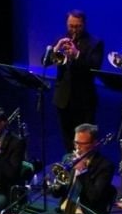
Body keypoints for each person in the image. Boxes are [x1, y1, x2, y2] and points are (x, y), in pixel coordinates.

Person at [22, 123, 115, 214]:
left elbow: (94, 197)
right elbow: (57, 194)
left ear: (94, 144)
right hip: (63, 213)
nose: (77, 147)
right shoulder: (68, 158)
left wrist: (83, 172)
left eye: (82, 144)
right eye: (75, 142)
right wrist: (56, 186)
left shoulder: (105, 166)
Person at [43, 9, 104, 151]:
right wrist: (55, 50)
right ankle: (70, 170)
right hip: (63, 99)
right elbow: (45, 61)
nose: (74, 30)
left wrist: (77, 55)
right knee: (67, 139)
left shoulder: (95, 43)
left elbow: (95, 66)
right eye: (71, 26)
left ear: (84, 24)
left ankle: (86, 170)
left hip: (84, 100)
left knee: (85, 141)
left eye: (78, 26)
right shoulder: (61, 38)